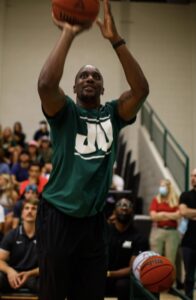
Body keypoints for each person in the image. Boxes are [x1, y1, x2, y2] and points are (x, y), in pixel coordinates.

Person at [36, 0, 149, 299]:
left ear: (102, 89)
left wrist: (115, 40)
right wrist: (69, 32)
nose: (89, 78)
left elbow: (141, 90)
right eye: (83, 76)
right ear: (73, 89)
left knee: (91, 293)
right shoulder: (65, 113)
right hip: (58, 215)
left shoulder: (113, 113)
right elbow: (47, 84)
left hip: (94, 221)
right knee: (53, 293)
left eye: (95, 76)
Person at [105, 198, 148, 300]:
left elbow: (133, 268)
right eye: (121, 208)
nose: (124, 210)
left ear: (132, 213)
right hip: (102, 275)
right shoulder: (104, 232)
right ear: (114, 212)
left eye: (127, 208)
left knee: (123, 285)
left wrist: (109, 273)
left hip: (123, 278)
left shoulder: (139, 237)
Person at [0, 198, 39, 293]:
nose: (30, 211)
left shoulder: (46, 237)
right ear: (22, 214)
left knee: (52, 279)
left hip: (34, 276)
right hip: (13, 276)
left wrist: (29, 274)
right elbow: (0, 259)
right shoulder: (12, 234)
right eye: (27, 208)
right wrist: (9, 271)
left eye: (34, 208)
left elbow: (49, 264)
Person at [149, 179, 180, 266]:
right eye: (160, 186)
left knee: (170, 261)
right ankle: (155, 279)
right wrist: (170, 215)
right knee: (155, 260)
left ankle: (170, 279)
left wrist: (162, 214)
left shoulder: (175, 200)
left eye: (163, 186)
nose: (161, 188)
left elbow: (178, 215)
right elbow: (153, 216)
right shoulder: (156, 200)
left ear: (169, 187)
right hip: (158, 231)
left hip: (172, 232)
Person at [179, 168, 196, 300]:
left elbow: (188, 212)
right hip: (189, 242)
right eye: (192, 176)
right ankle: (188, 297)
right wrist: (189, 213)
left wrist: (193, 213)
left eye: (195, 176)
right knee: (189, 276)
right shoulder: (185, 195)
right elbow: (183, 212)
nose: (193, 178)